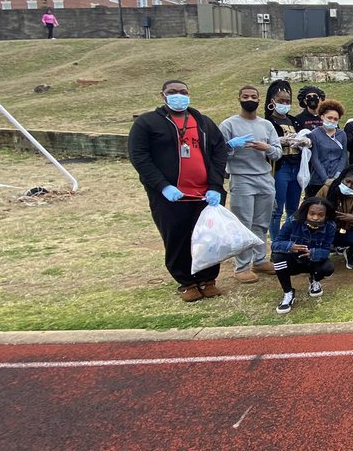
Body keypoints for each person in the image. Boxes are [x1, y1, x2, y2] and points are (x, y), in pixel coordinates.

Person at [127, 79, 228, 302]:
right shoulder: (148, 123)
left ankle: (208, 279)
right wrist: (162, 186)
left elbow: (219, 151)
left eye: (182, 92)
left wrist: (215, 185)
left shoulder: (202, 122)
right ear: (163, 95)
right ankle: (187, 282)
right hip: (172, 196)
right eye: (172, 92)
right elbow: (140, 157)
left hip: (205, 194)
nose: (178, 96)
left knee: (208, 237)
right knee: (178, 238)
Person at [219, 85, 282, 283]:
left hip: (264, 176)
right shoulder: (228, 125)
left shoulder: (266, 125)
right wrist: (230, 146)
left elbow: (278, 152)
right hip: (241, 176)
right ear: (239, 98)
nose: (250, 99)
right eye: (245, 96)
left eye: (253, 96)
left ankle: (260, 259)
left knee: (261, 223)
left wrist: (267, 147)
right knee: (243, 223)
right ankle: (242, 266)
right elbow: (218, 153)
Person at [271, 196, 337, 313]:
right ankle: (288, 292)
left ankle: (314, 279)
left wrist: (313, 253)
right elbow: (275, 244)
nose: (315, 217)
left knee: (328, 268)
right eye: (312, 213)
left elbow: (326, 250)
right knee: (278, 257)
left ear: (326, 216)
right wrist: (290, 246)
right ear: (306, 212)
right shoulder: (293, 221)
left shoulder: (330, 226)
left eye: (320, 215)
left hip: (312, 261)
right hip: (293, 261)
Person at [265, 80, 306, 240]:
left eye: (287, 101)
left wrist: (303, 141)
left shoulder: (294, 121)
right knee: (276, 210)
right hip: (279, 168)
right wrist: (281, 141)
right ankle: (276, 242)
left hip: (296, 167)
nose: (284, 104)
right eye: (281, 101)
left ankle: (290, 238)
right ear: (272, 101)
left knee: (293, 208)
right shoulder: (268, 122)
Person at [308, 99, 348, 189]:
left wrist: (337, 176)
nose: (332, 121)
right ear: (322, 117)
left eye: (335, 119)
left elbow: (343, 156)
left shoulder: (342, 135)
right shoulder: (314, 134)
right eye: (329, 118)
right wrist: (325, 179)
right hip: (317, 180)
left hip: (337, 180)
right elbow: (315, 158)